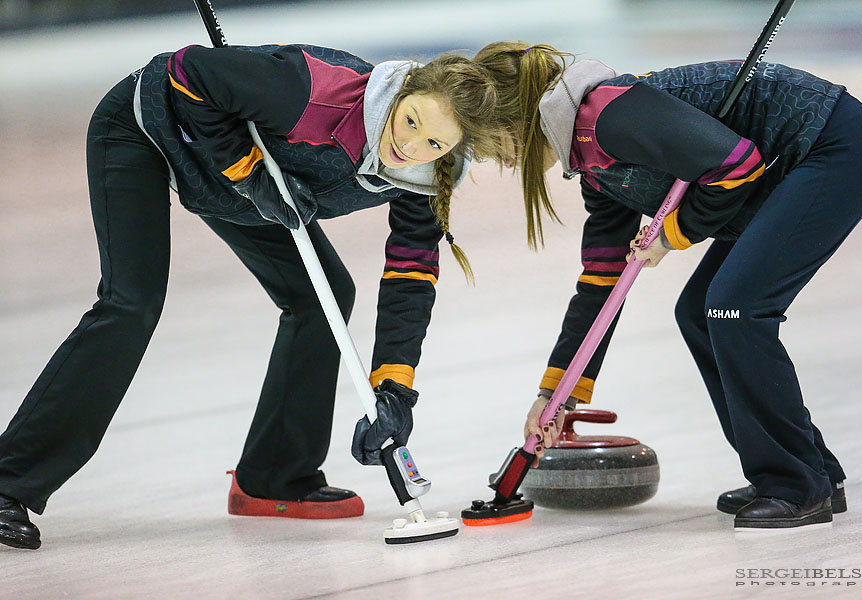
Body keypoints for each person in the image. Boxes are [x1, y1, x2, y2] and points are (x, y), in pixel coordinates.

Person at [0, 42, 506, 550]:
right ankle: (9, 481)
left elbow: (410, 274)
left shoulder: (429, 179)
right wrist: (248, 173)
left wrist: (394, 388)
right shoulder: (316, 90)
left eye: (435, 143)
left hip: (237, 183)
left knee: (323, 296)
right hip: (148, 130)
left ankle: (275, 474)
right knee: (131, 303)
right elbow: (187, 71)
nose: (411, 146)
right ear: (400, 92)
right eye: (411, 120)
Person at [474, 41, 862, 530]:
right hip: (788, 166)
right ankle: (812, 471)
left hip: (830, 147)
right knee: (700, 313)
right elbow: (601, 283)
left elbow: (736, 164)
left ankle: (796, 486)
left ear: (515, 124)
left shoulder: (608, 115)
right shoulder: (591, 164)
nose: (498, 161)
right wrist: (556, 395)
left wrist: (673, 234)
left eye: (491, 146)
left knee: (735, 308)